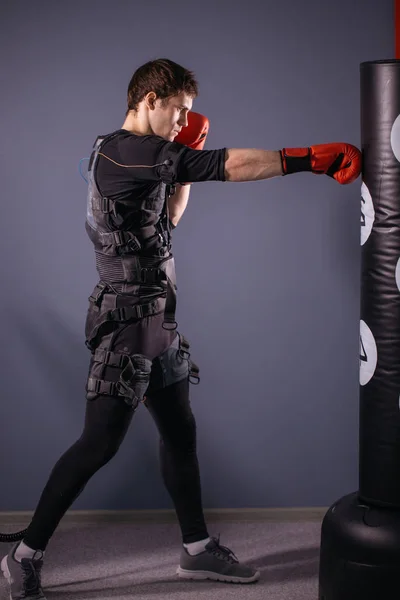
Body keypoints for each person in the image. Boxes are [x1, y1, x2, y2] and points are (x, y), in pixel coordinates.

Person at [1, 58, 361, 600]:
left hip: (159, 322)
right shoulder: (125, 149)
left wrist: (183, 165)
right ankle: (24, 557)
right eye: (179, 111)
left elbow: (168, 221)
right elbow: (226, 166)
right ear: (150, 98)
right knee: (98, 444)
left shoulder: (147, 160)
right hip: (124, 325)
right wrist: (305, 160)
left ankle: (196, 550)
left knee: (180, 435)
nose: (183, 121)